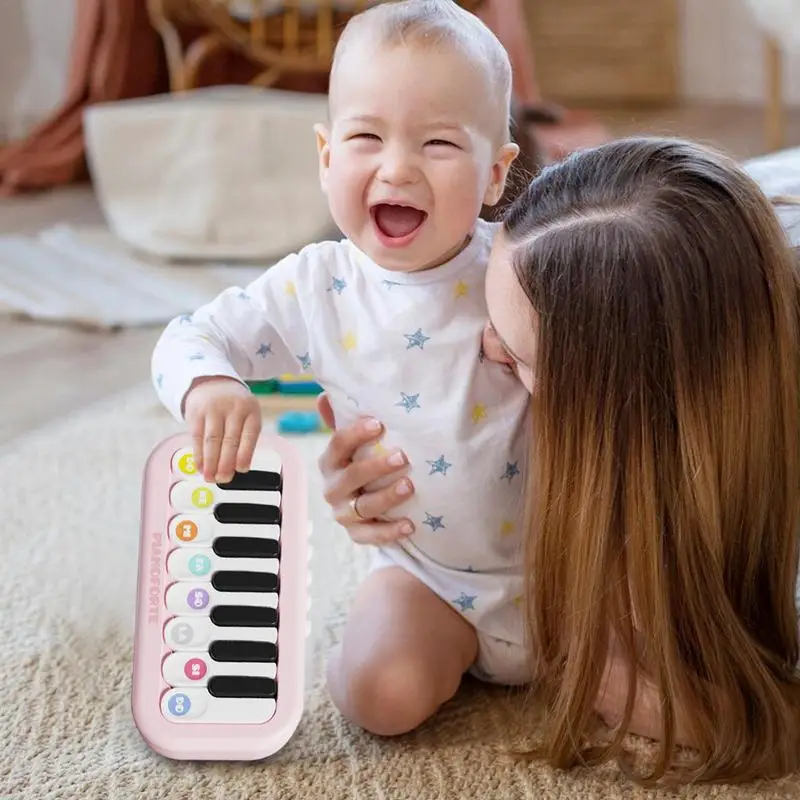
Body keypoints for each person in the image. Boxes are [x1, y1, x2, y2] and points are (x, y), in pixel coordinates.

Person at [316, 136, 800, 785]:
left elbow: (771, 724)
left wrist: (614, 679)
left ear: (629, 416)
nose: (484, 353)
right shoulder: (672, 243)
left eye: (517, 358)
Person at [151, 0, 537, 738]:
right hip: (428, 581)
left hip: (573, 576)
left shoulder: (520, 263)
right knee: (378, 699)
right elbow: (186, 337)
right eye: (367, 137)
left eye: (438, 144)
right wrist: (211, 384)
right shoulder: (313, 287)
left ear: (495, 174)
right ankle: (366, 643)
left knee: (668, 687)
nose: (398, 167)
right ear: (327, 156)